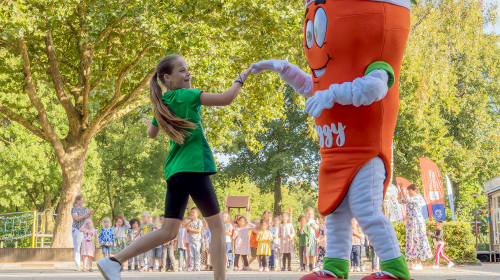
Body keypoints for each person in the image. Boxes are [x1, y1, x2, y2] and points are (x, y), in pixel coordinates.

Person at [251, 0, 412, 278]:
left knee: (367, 210)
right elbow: (309, 86)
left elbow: (375, 86)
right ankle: (335, 269)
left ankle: (395, 269)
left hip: (364, 153)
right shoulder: (327, 75)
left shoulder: (376, 60)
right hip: (334, 153)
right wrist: (283, 68)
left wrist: (332, 95)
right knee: (336, 214)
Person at [97, 55, 252, 280]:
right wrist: (240, 79)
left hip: (174, 172)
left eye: (187, 70)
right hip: (193, 167)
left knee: (168, 231)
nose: (187, 73)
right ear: (167, 77)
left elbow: (151, 134)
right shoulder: (188, 96)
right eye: (182, 71)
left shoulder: (162, 104)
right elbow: (227, 98)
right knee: (217, 227)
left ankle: (114, 261)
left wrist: (157, 116)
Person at [398, 183, 433, 270]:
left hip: (417, 221)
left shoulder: (418, 197)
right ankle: (414, 262)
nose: (408, 192)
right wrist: (400, 191)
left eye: (409, 191)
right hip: (410, 222)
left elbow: (407, 199)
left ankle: (419, 263)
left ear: (415, 191)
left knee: (418, 240)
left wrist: (403, 190)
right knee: (412, 240)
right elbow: (400, 201)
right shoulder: (410, 198)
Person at [71, 195, 94, 271]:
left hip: (84, 230)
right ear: (77, 201)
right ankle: (77, 265)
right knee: (77, 247)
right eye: (81, 200)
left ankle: (86, 265)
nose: (82, 201)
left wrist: (89, 213)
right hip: (77, 229)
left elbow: (88, 219)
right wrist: (85, 214)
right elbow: (77, 218)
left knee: (86, 247)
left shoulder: (85, 209)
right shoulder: (74, 209)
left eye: (82, 200)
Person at [186, 207, 204, 271]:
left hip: (197, 240)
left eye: (193, 212)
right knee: (191, 254)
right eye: (191, 212)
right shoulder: (189, 221)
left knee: (197, 254)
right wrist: (190, 220)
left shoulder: (199, 221)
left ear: (197, 213)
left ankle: (197, 266)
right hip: (191, 240)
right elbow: (185, 226)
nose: (192, 213)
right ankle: (191, 266)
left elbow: (199, 231)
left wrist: (191, 230)